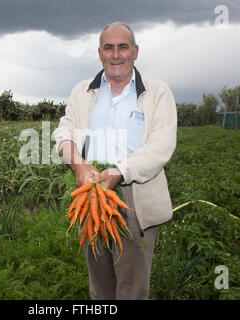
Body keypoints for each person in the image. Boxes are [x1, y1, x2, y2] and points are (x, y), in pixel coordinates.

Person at [53, 21, 177, 300]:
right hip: (90, 195)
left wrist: (120, 171)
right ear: (100, 54)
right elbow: (64, 131)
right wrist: (79, 165)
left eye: (123, 47)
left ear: (135, 51)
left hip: (135, 198)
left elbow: (161, 146)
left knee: (131, 288)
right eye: (109, 48)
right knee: (100, 285)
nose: (116, 54)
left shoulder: (157, 91)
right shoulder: (83, 91)